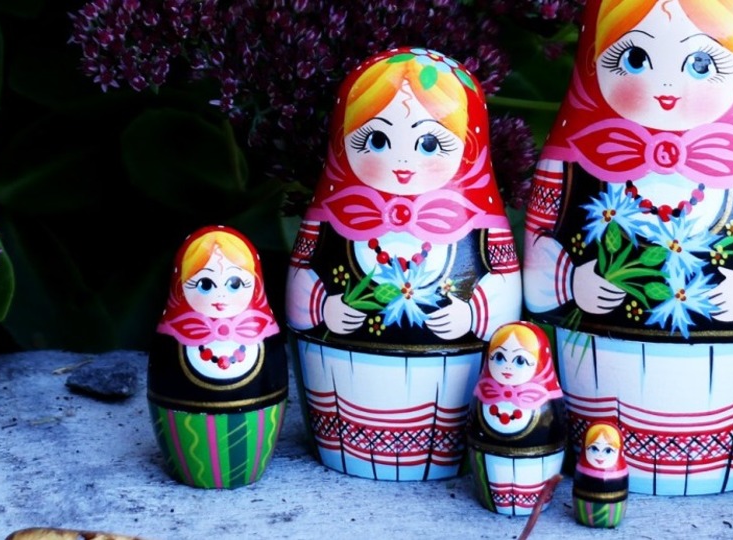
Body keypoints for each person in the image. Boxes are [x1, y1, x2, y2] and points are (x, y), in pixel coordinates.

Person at [522, 0, 733, 495]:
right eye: (636, 59)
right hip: (591, 388)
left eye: (700, 63)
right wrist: (571, 281)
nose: (666, 84)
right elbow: (540, 253)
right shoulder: (571, 168)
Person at [285, 48, 521, 481]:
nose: (403, 160)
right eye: (376, 140)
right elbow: (305, 276)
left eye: (429, 143)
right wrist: (323, 307)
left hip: (449, 397)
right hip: (342, 402)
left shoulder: (480, 229)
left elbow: (501, 285)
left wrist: (473, 313)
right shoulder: (331, 222)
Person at [148, 225, 287, 489]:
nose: (221, 294)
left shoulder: (264, 336)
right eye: (205, 284)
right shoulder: (171, 340)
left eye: (235, 284)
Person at [467, 322, 566, 516]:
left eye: (520, 360)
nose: (507, 366)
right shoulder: (484, 393)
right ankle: (489, 497)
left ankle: (536, 499)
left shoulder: (546, 399)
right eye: (499, 357)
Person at [572, 421, 629, 528]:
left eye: (608, 451)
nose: (600, 455)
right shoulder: (582, 468)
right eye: (594, 449)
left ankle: (611, 519)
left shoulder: (620, 472)